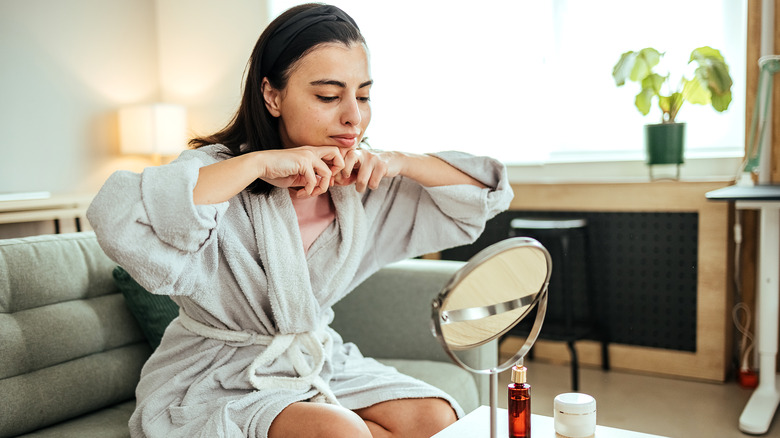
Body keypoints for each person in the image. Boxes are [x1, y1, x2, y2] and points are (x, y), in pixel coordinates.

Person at [87, 3, 513, 437]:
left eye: (364, 95)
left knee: (435, 418)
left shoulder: (362, 183)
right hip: (216, 376)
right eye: (328, 96)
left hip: (312, 361)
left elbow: (483, 196)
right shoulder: (219, 173)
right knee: (341, 431)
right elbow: (118, 216)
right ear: (272, 96)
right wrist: (257, 165)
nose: (353, 117)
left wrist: (400, 160)